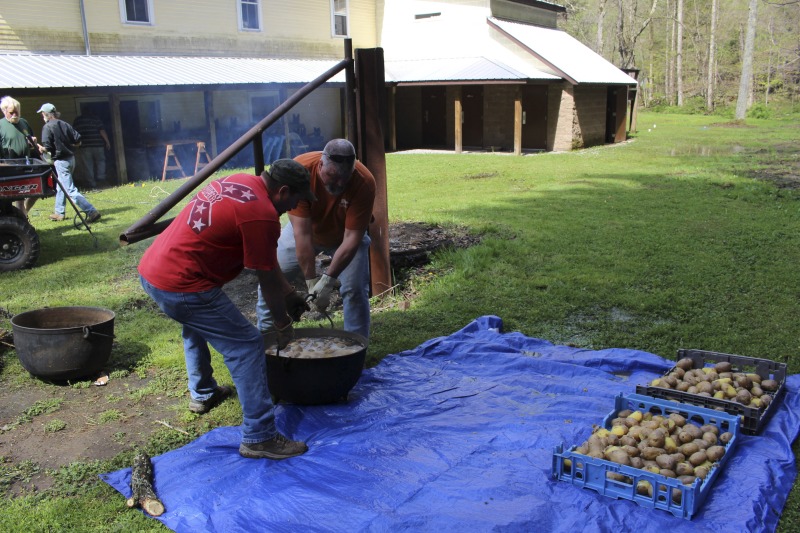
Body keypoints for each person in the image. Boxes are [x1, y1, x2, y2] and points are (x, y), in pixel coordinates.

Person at [138, 159, 315, 460]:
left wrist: (290, 293)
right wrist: (284, 326)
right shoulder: (262, 216)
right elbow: (266, 279)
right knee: (246, 345)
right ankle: (260, 436)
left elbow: (267, 263)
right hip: (182, 284)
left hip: (154, 270)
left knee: (197, 323)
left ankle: (203, 392)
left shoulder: (241, 181)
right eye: (297, 200)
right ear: (283, 191)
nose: (297, 206)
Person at [255, 139, 376, 340]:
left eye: (344, 178)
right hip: (305, 230)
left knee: (355, 289)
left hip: (344, 237)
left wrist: (327, 281)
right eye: (332, 176)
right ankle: (267, 337)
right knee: (272, 277)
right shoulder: (301, 172)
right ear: (321, 165)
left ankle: (356, 346)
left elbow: (352, 238)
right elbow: (302, 235)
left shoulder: (364, 182)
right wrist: (312, 282)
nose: (338, 183)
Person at [38, 103, 102, 223]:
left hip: (61, 161)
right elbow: (78, 141)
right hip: (71, 159)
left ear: (46, 114)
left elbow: (46, 148)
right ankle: (59, 213)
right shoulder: (64, 124)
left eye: (42, 114)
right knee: (61, 186)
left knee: (70, 190)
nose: (42, 116)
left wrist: (39, 147)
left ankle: (91, 211)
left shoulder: (47, 127)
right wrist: (69, 146)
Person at [1, 96, 42, 215]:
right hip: (9, 166)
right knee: (17, 198)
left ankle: (23, 214)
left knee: (35, 191)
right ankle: (21, 218)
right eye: (11, 112)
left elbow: (30, 139)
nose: (15, 115)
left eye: (17, 112)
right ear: (4, 111)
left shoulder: (24, 122)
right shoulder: (1, 125)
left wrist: (32, 143)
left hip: (27, 163)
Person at [72, 112, 111, 189]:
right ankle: (101, 179)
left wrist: (76, 144)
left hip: (85, 146)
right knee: (101, 161)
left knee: (88, 164)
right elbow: (101, 131)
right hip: (98, 145)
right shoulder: (96, 119)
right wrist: (107, 141)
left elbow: (74, 133)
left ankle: (91, 183)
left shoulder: (78, 120)